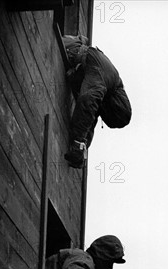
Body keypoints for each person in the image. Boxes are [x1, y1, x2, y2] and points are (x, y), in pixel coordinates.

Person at [62, 35, 132, 169]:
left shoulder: (109, 86)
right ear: (113, 108)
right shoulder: (104, 81)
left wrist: (83, 149)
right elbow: (87, 103)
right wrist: (78, 144)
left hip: (74, 51)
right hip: (69, 48)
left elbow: (90, 120)